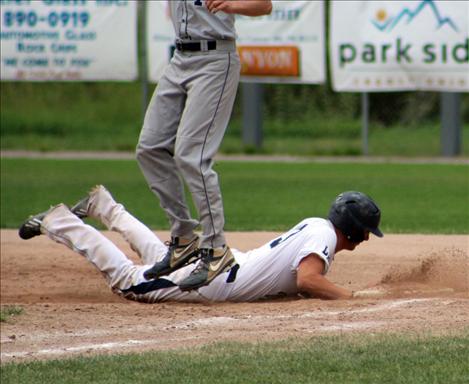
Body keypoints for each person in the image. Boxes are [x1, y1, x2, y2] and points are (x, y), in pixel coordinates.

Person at [18, 185, 383, 303]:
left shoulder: (317, 226)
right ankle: (60, 222)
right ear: (353, 229)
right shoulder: (321, 237)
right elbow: (308, 279)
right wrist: (351, 299)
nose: (367, 238)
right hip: (213, 281)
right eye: (367, 230)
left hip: (225, 266)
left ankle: (105, 206)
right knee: (130, 281)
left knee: (162, 256)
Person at [135, 0, 273, 291]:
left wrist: (234, 4)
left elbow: (264, 5)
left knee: (192, 155)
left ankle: (216, 249)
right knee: (149, 148)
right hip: (180, 58)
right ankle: (184, 239)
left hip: (215, 59)